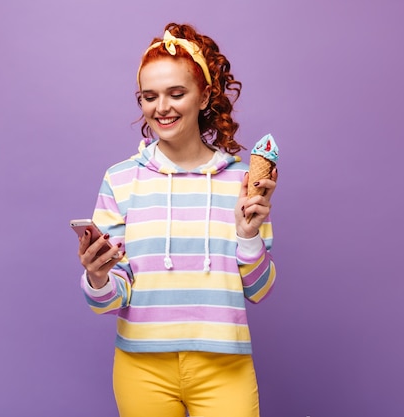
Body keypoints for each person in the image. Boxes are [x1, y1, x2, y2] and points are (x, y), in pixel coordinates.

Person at [78, 22, 278, 417]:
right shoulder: (120, 179)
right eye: (149, 97)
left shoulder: (242, 181)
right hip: (141, 367)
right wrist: (97, 277)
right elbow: (110, 299)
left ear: (204, 96)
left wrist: (248, 235)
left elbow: (260, 290)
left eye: (176, 93)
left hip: (224, 365)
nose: (161, 108)